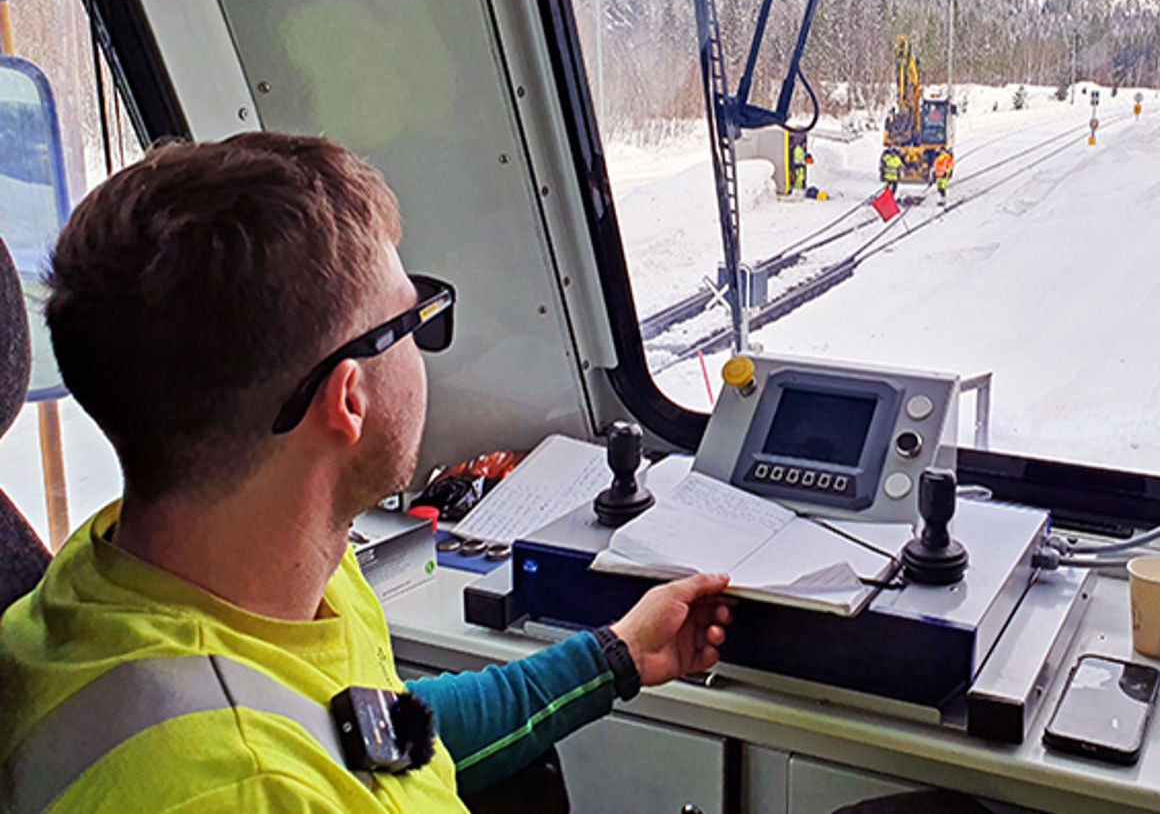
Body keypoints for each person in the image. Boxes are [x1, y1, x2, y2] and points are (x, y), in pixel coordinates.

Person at [0, 133, 732, 813]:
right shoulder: (234, 787)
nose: (425, 346)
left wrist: (611, 657)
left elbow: (368, 735)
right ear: (348, 399)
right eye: (411, 323)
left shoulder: (213, 576)